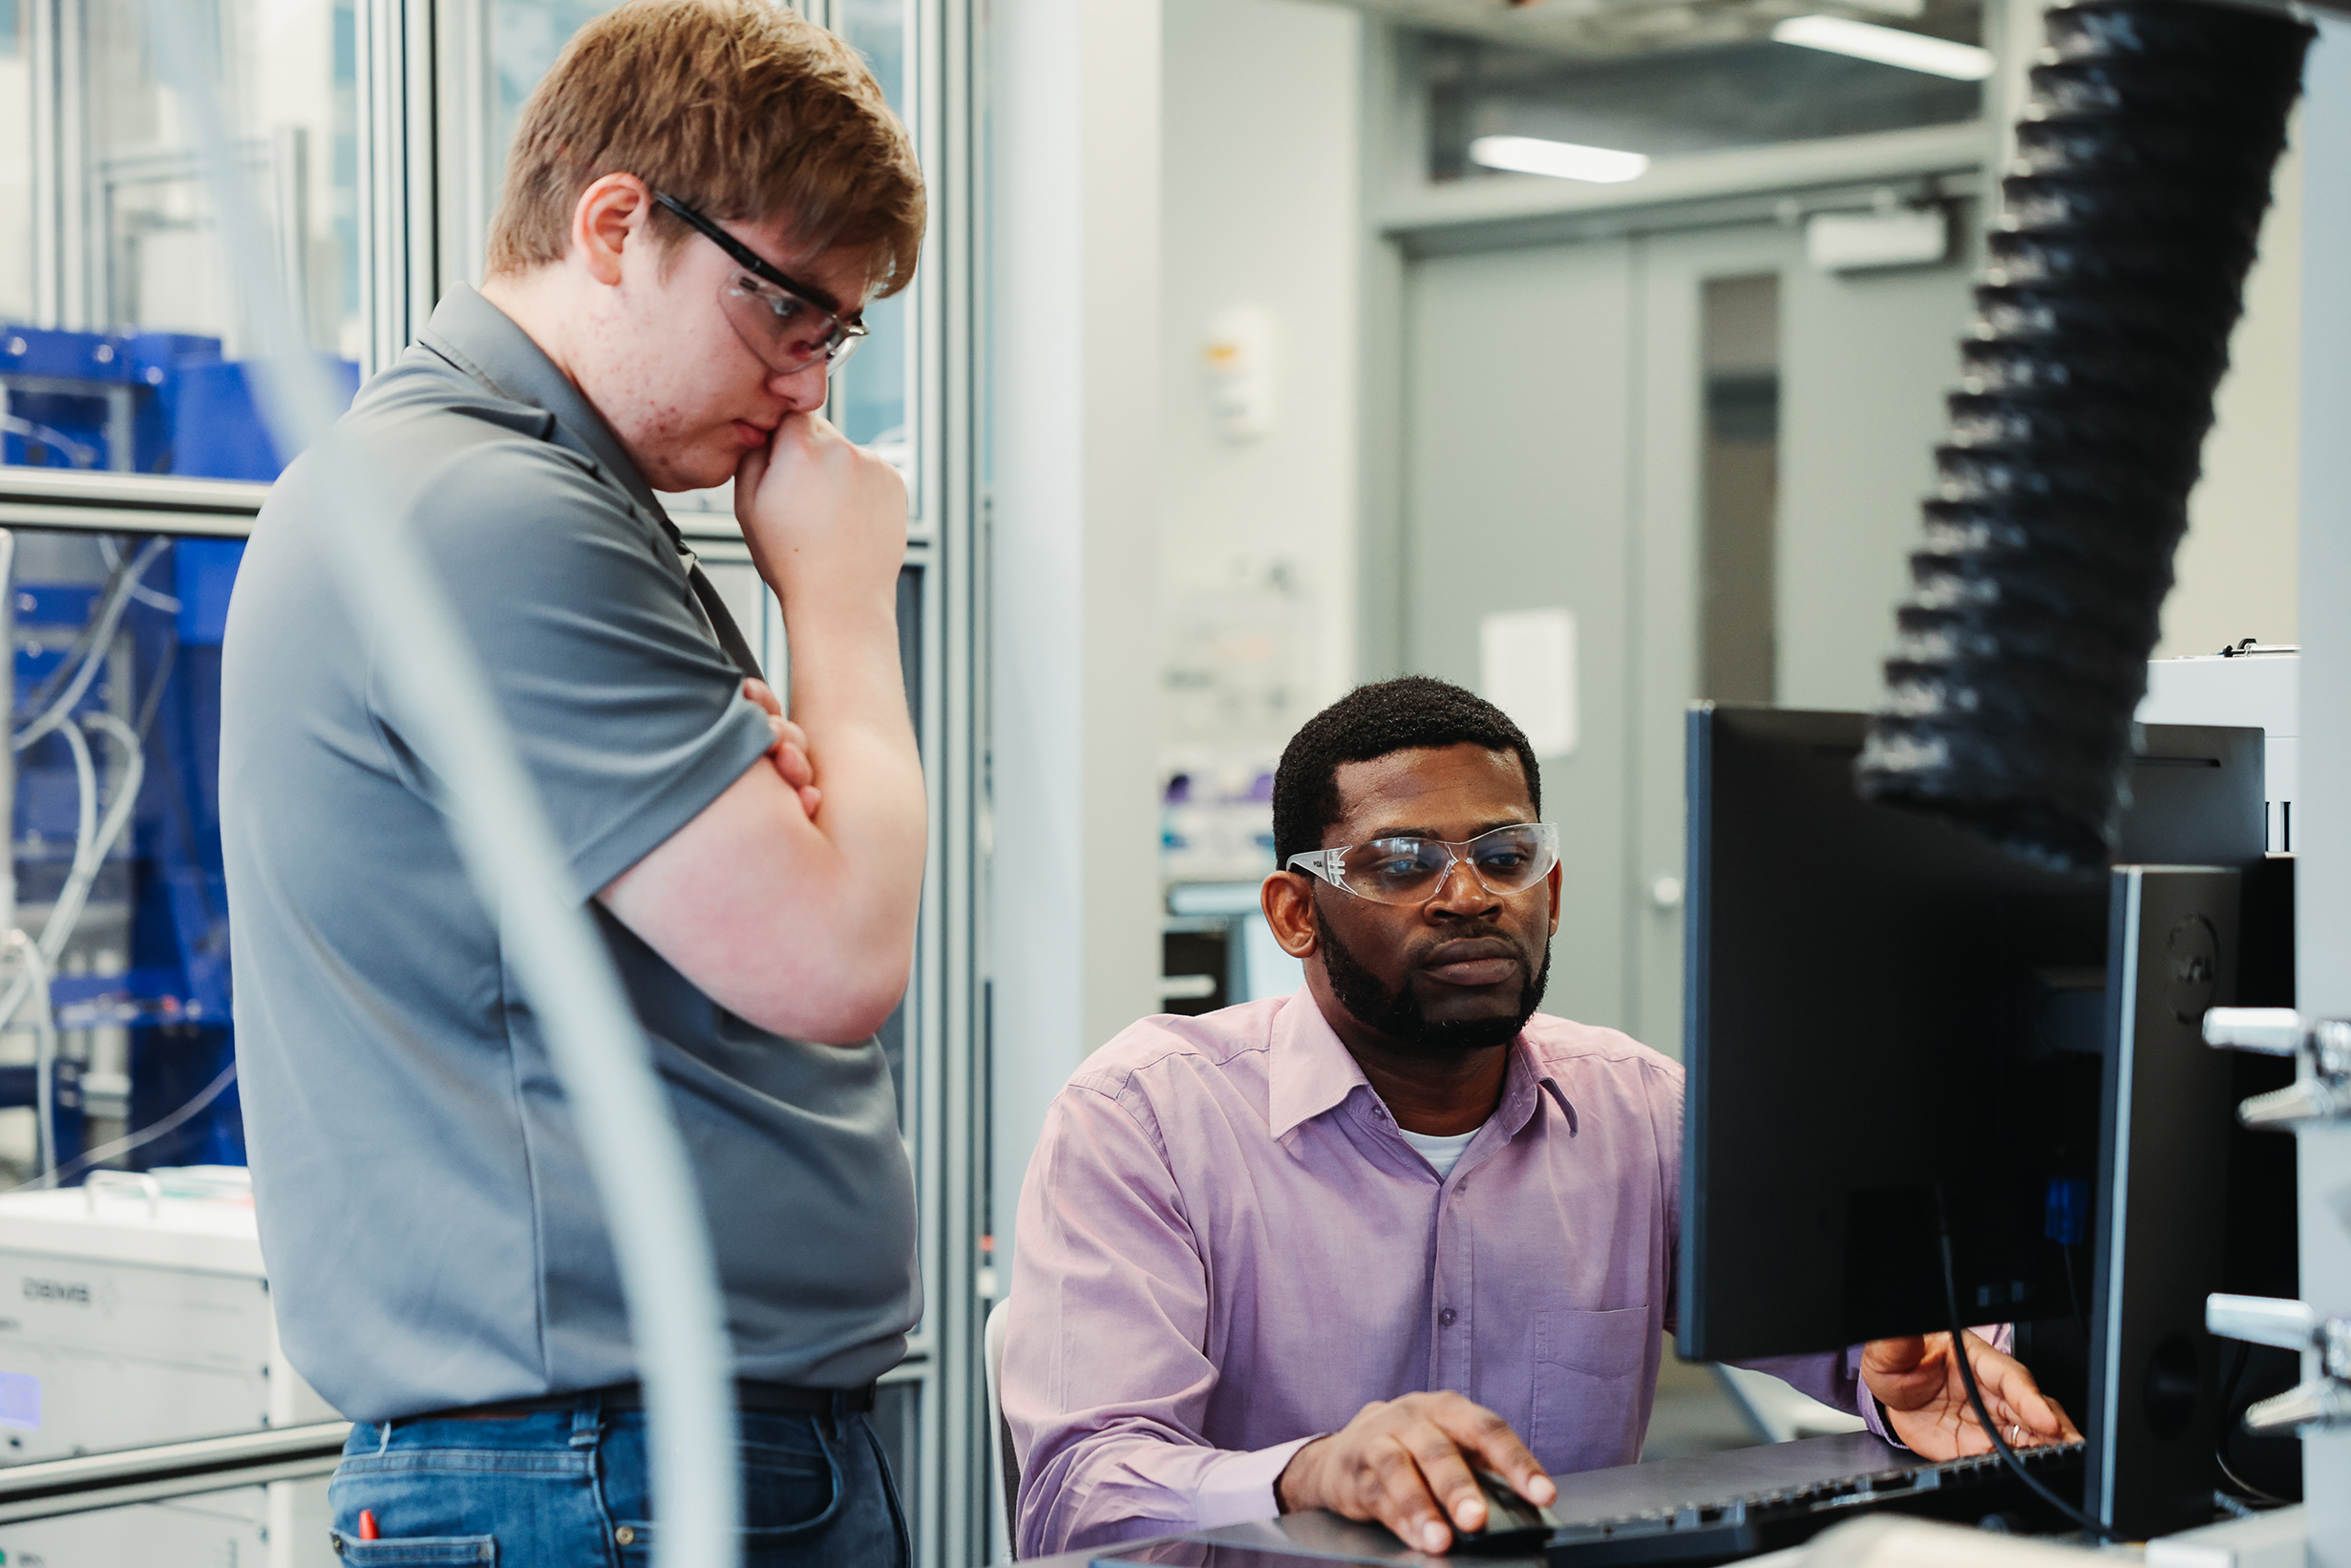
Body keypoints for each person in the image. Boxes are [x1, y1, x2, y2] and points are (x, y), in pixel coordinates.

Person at [218, 4, 926, 1563]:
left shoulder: (527, 497)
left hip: (617, 1454)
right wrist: (843, 605)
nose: (809, 389)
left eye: (834, 337)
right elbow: (834, 950)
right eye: (787, 314)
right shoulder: (486, 511)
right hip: (600, 1465)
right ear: (617, 224)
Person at [1001, 676, 2079, 1558]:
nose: (1467, 894)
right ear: (1293, 911)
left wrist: (1912, 1376)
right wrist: (1305, 1470)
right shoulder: (1143, 1116)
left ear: (1549, 893)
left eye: (1504, 856)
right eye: (1402, 862)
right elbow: (1077, 1495)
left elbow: (1860, 1341)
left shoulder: (1637, 1108)